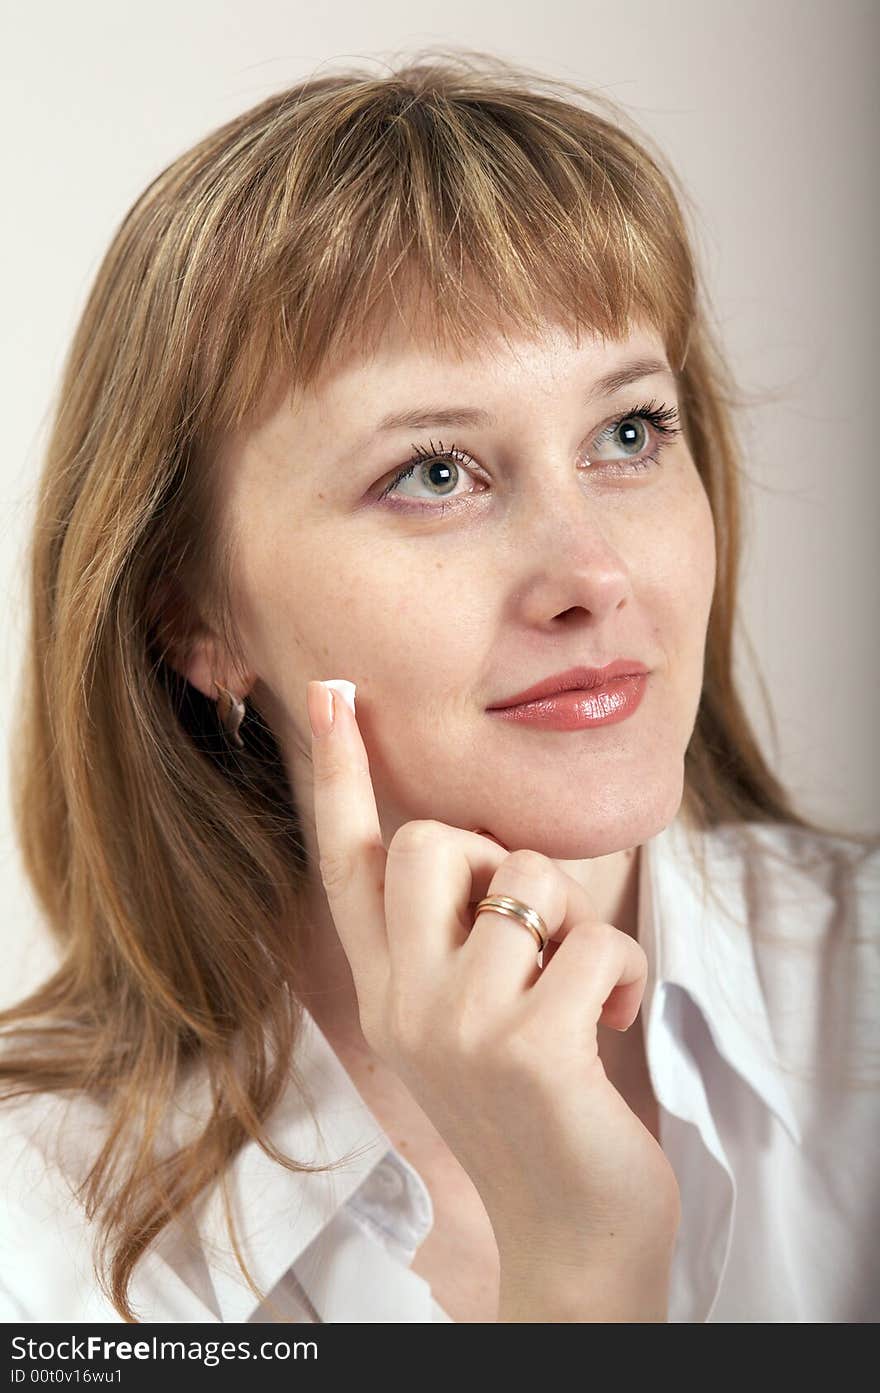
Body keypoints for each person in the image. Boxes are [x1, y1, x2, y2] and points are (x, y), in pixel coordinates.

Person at [1, 49, 877, 1325]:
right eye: (433, 472)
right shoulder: (35, 1218)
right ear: (192, 616)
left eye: (627, 433)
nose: (591, 574)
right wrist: (578, 1263)